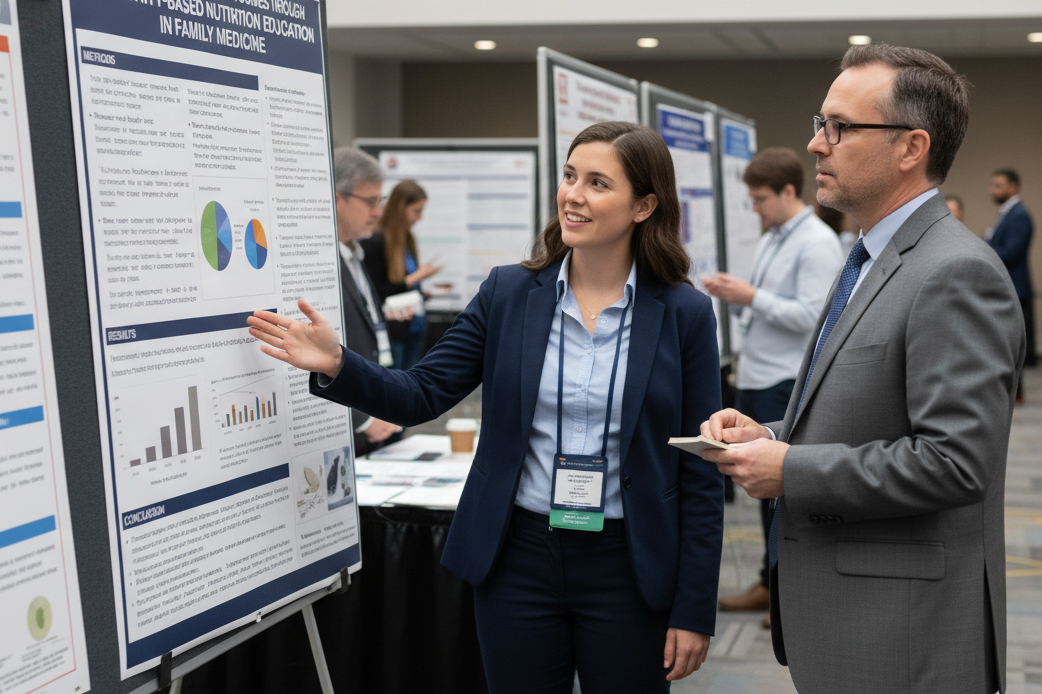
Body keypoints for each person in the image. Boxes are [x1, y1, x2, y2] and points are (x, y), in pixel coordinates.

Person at [249, 122, 724, 691]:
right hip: (518, 558)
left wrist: (694, 609)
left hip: (630, 564)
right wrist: (337, 364)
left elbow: (700, 467)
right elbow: (422, 391)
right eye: (570, 175)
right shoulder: (509, 294)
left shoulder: (683, 314)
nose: (574, 194)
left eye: (599, 183)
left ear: (644, 205)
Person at [699, 44, 1024, 694]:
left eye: (839, 127)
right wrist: (770, 436)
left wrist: (791, 469)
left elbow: (956, 462)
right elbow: (865, 405)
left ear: (911, 147)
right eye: (820, 124)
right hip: (855, 614)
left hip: (902, 634)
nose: (817, 145)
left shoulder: (954, 271)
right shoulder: (870, 253)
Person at [700, 148, 843, 627]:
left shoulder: (817, 242)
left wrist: (751, 296)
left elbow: (812, 317)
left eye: (761, 199)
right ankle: (770, 583)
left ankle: (785, 592)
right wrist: (737, 297)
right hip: (757, 374)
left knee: (783, 490)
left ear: (788, 192)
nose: (755, 209)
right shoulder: (774, 237)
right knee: (759, 492)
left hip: (786, 379)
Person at [330, 148, 406, 456]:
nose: (378, 211)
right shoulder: (316, 266)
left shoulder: (356, 255)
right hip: (349, 430)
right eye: (371, 201)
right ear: (336, 198)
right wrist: (360, 420)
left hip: (376, 414)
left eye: (381, 201)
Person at [361, 179, 444, 370]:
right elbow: (376, 290)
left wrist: (424, 292)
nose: (419, 218)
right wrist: (417, 276)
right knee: (394, 382)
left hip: (415, 324)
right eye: (416, 211)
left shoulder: (407, 239)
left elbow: (404, 286)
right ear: (400, 208)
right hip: (392, 328)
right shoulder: (376, 240)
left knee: (413, 381)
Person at [984, 168, 1036, 400]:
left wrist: (982, 247)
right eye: (993, 185)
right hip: (1007, 287)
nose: (993, 190)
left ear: (1014, 187)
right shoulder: (1007, 213)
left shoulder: (1019, 215)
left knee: (1011, 344)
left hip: (1015, 288)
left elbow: (1012, 252)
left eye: (999, 185)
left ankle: (1015, 392)